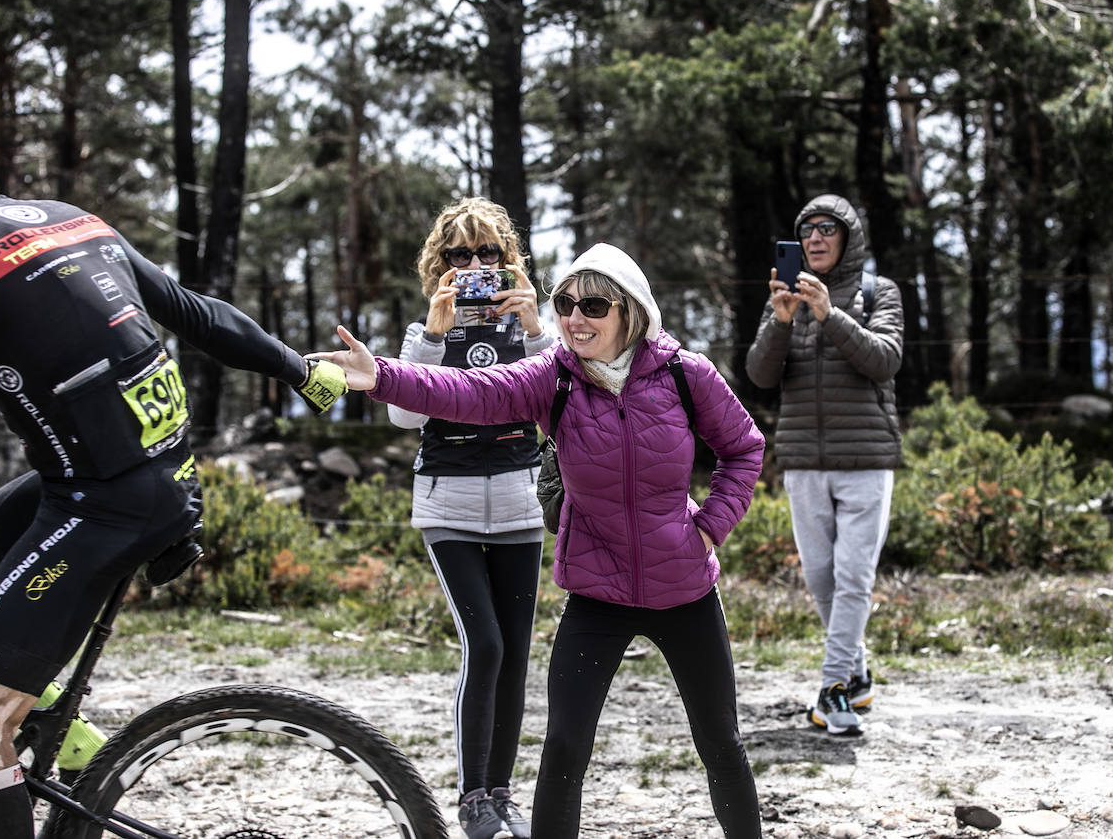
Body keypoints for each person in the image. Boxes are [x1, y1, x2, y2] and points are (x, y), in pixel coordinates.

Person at [0, 100, 346, 838]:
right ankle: (51, 719)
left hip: (101, 503)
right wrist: (300, 370)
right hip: (115, 481)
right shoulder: (70, 217)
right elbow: (199, 313)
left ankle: (1, 732)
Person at [312, 242, 766, 839]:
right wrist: (381, 378)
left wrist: (710, 527)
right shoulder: (553, 378)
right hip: (595, 595)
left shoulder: (686, 373)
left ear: (630, 311)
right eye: (565, 302)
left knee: (720, 745)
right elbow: (470, 392)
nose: (576, 318)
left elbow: (743, 447)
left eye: (594, 305)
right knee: (564, 753)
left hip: (684, 589)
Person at [386, 198, 553, 839]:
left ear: (508, 260)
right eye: (461, 255)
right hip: (447, 503)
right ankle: (471, 798)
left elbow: (562, 401)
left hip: (518, 501)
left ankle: (502, 794)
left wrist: (538, 326)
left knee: (513, 654)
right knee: (482, 645)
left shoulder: (530, 329)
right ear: (441, 264)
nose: (476, 265)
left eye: (489, 253)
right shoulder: (424, 329)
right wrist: (432, 333)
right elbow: (404, 415)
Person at [745, 192, 903, 736]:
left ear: (848, 239)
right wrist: (783, 321)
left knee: (853, 578)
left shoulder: (877, 293)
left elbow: (884, 360)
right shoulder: (782, 301)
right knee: (821, 580)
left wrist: (829, 314)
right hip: (803, 461)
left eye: (827, 229)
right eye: (806, 230)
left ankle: (833, 688)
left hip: (866, 460)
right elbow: (760, 376)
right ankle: (857, 677)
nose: (815, 238)